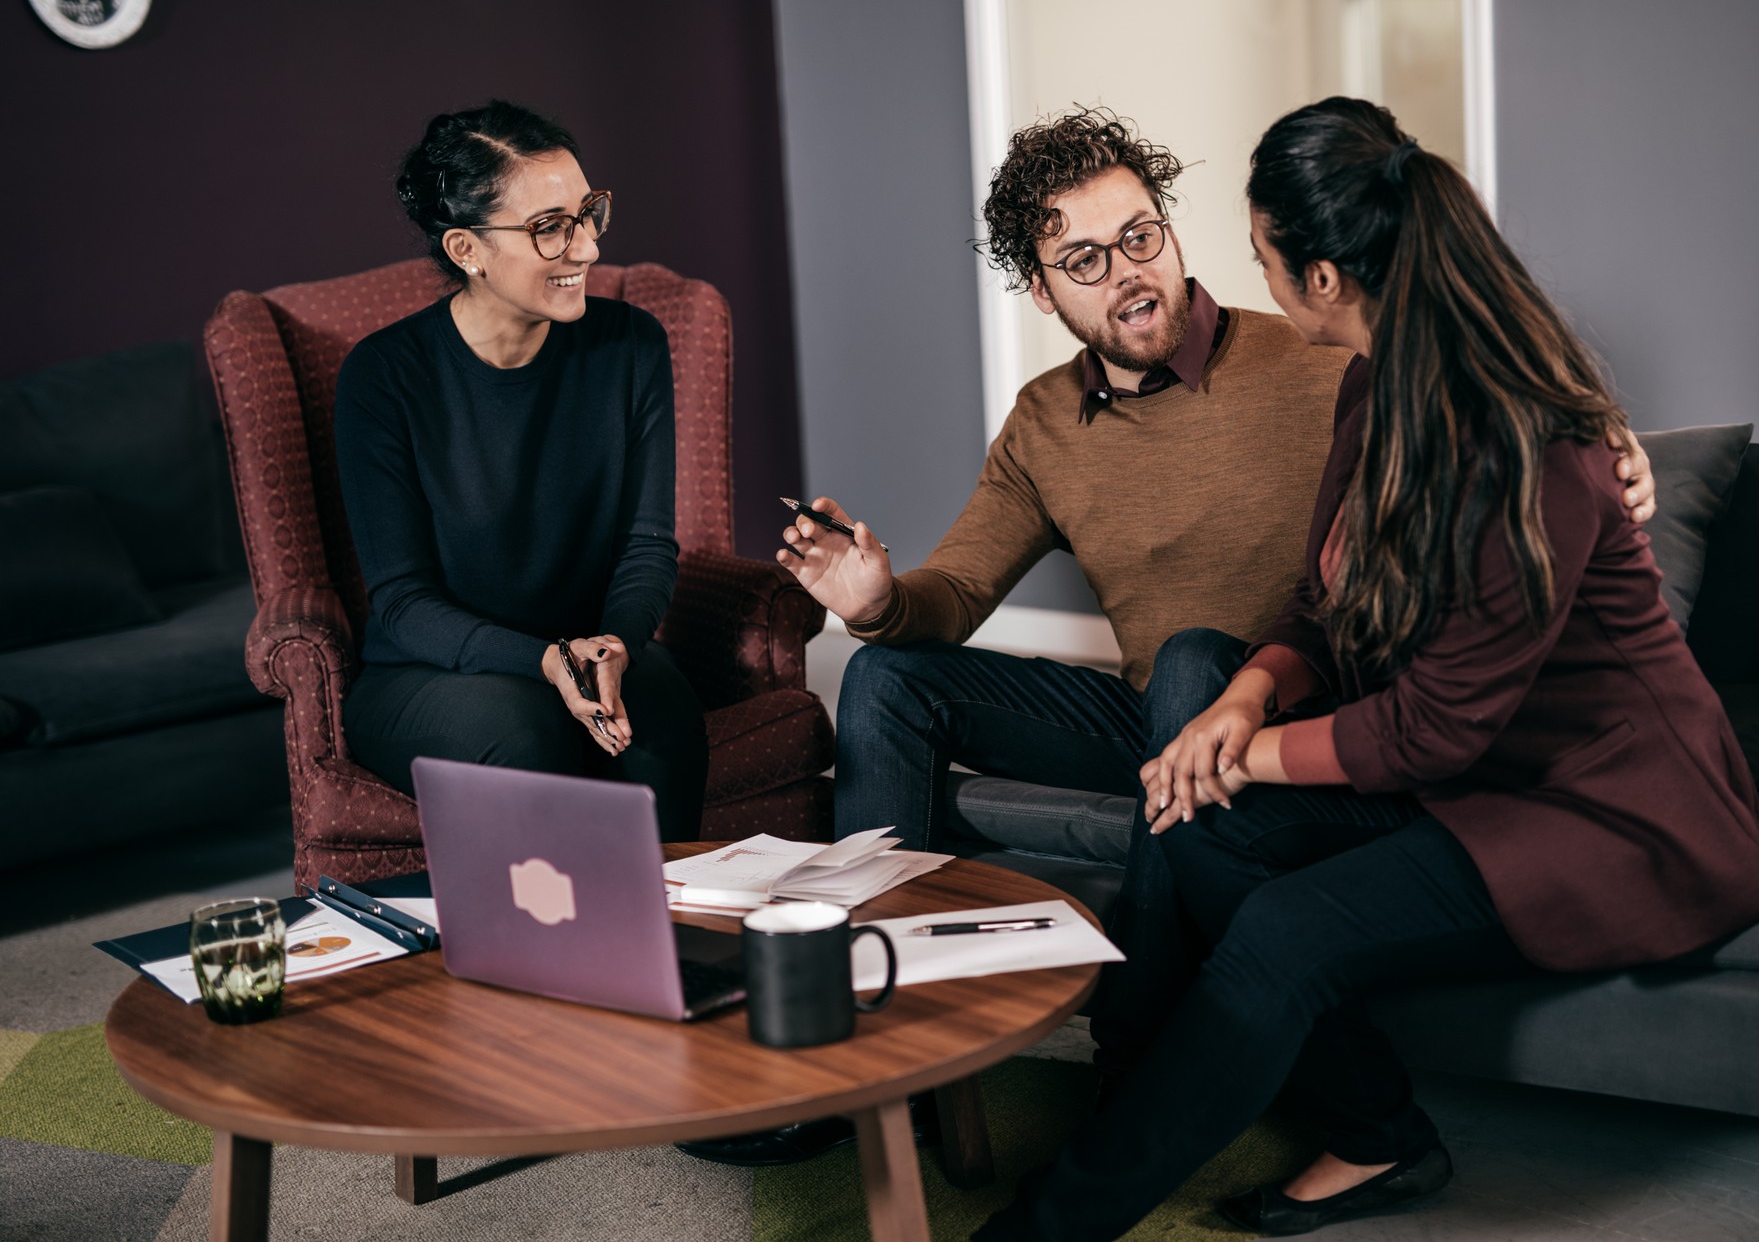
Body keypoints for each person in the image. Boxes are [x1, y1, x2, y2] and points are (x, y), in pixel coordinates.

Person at [679, 106, 1650, 1171]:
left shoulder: (1319, 360)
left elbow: (1495, 417)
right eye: (1083, 260)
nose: (1126, 273)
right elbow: (952, 593)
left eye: (1140, 235)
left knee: (1195, 652)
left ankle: (1132, 1043)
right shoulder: (1044, 421)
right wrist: (873, 599)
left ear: (1174, 232)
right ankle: (868, 1043)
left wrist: (1613, 439)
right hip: (1156, 723)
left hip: (1297, 716)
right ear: (1043, 291)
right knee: (887, 677)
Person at [972, 97, 1759, 1242]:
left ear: (1327, 278)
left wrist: (1236, 751)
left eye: (1262, 254)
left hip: (1607, 809)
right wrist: (1242, 697)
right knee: (1199, 834)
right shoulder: (1372, 382)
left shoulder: (1524, 447)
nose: (1244, 275)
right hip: (1479, 776)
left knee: (1286, 927)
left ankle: (1044, 1226)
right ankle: (1382, 1130)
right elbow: (1326, 602)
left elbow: (1430, 733)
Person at [335, 100, 707, 838]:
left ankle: (676, 947)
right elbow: (404, 603)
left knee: (660, 703)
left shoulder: (632, 347)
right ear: (467, 250)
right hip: (432, 673)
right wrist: (543, 660)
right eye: (550, 228)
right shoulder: (382, 376)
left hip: (587, 646)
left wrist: (616, 645)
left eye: (588, 213)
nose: (588, 249)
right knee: (524, 731)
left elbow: (647, 544)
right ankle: (550, 953)